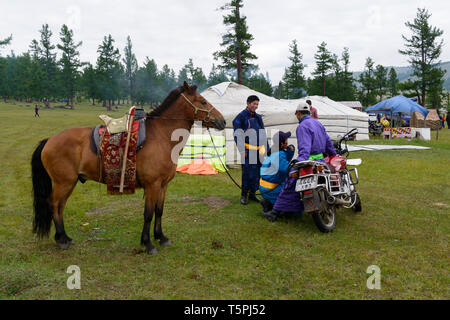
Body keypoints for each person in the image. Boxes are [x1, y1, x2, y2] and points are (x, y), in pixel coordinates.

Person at [264, 102, 337, 221]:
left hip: (309, 162)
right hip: (321, 161)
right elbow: (328, 142)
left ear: (298, 114)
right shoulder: (318, 124)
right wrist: (333, 154)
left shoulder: (302, 126)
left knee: (290, 182)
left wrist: (298, 162)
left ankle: (275, 213)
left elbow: (305, 149)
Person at [233, 95, 268, 205]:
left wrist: (265, 148)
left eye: (257, 104)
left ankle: (252, 194)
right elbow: (238, 135)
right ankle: (244, 195)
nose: (255, 106)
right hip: (248, 151)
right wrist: (242, 150)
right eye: (254, 103)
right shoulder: (241, 117)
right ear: (248, 103)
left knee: (257, 173)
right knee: (247, 173)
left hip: (259, 150)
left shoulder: (258, 117)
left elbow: (262, 133)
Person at [259, 131, 295, 217]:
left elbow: (284, 162)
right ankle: (275, 209)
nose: (287, 141)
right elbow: (286, 169)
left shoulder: (273, 151)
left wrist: (290, 152)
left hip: (264, 187)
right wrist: (298, 169)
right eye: (286, 140)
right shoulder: (279, 154)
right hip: (271, 189)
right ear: (282, 143)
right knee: (293, 195)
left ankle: (268, 202)